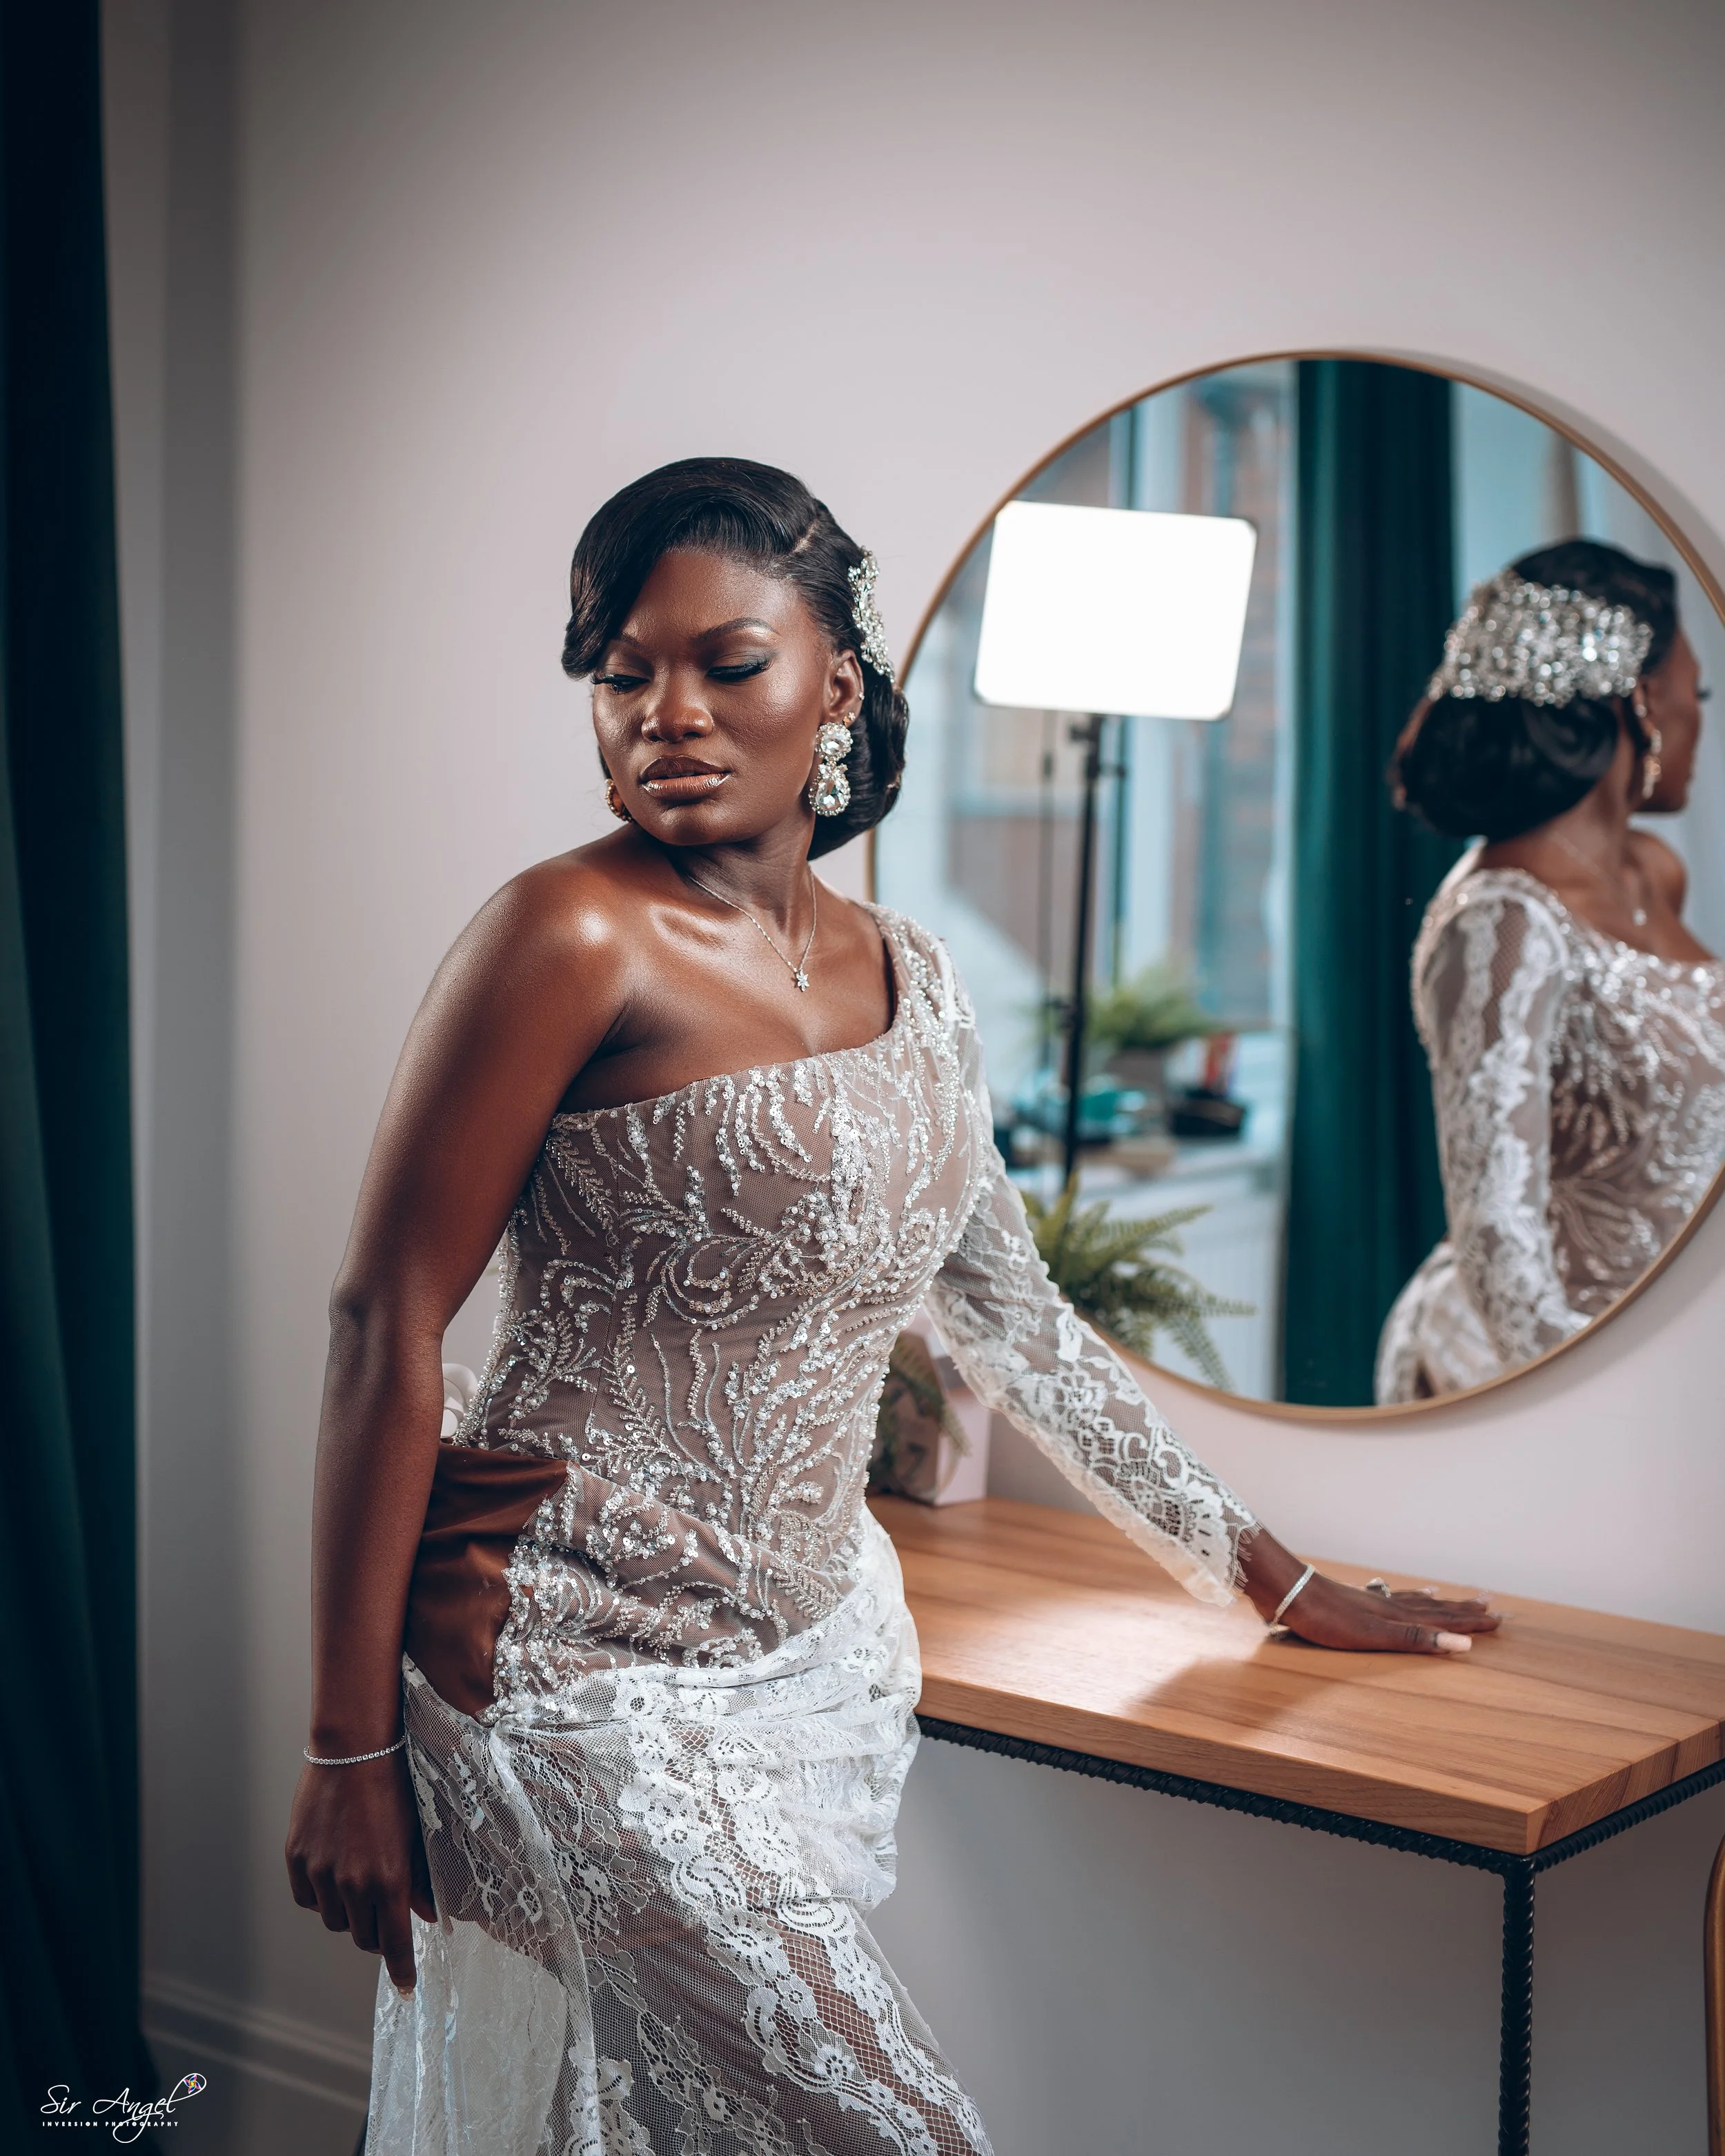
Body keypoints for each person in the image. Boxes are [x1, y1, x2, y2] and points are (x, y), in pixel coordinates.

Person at [285, 458, 1497, 2155]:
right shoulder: (564, 935)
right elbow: (381, 1322)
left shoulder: (914, 975)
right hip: (563, 1657)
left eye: (727, 662)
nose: (667, 714)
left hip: (817, 1650)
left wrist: (1276, 1577)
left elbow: (1016, 1313)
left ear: (836, 683)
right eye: (622, 674)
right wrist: (346, 1747)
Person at [1379, 539, 1724, 1405]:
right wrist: (1603, 1409)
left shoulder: (1653, 873)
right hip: (1566, 1378)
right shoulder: (1503, 925)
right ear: (1641, 702)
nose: (1702, 720)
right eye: (1698, 693)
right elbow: (1500, 1254)